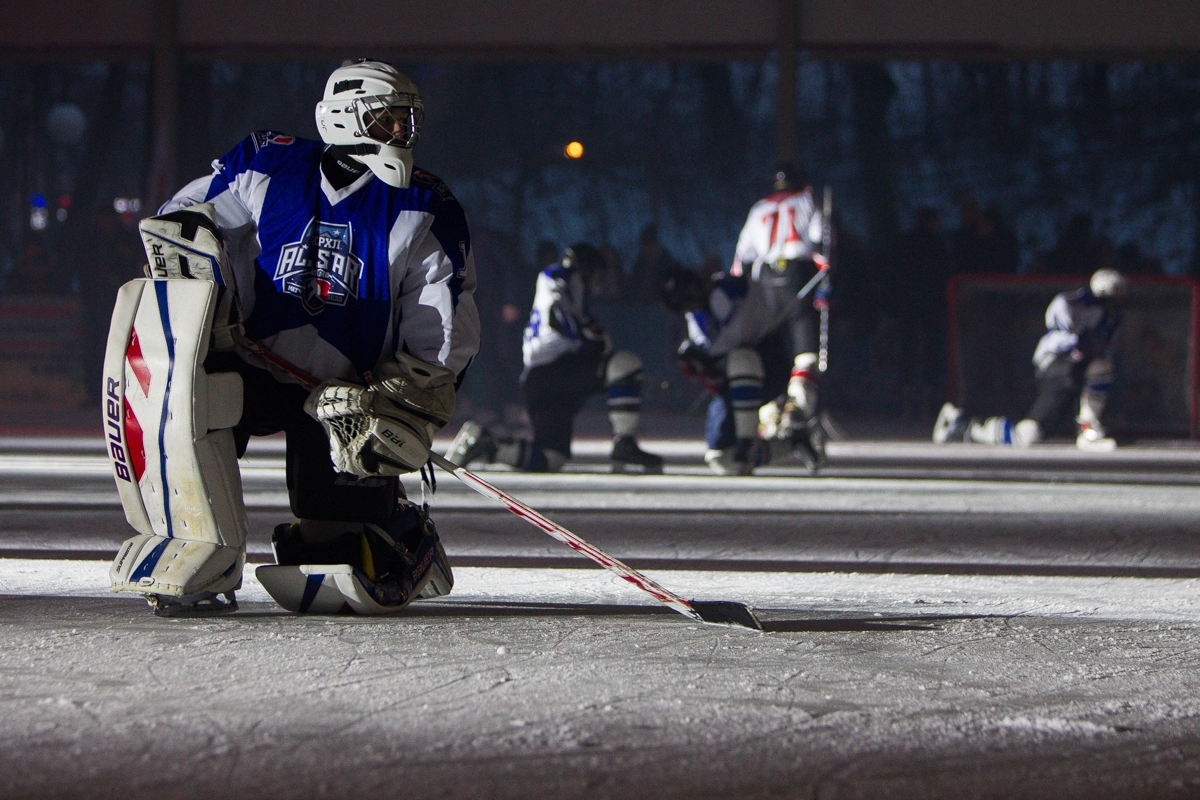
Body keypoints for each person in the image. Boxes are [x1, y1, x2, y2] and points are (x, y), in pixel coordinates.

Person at [104, 60, 478, 615]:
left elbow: (442, 321)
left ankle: (399, 528)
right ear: (345, 118)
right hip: (245, 364)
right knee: (181, 397)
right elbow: (181, 220)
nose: (402, 133)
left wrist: (405, 397)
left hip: (345, 394)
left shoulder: (427, 206)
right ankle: (193, 542)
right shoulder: (266, 161)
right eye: (388, 120)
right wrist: (211, 281)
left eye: (407, 121)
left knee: (337, 544)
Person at [446, 243, 662, 474]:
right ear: (585, 269)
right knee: (624, 364)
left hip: (541, 379)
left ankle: (489, 445)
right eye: (597, 275)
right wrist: (588, 334)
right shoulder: (560, 277)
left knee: (550, 458)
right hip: (553, 371)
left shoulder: (568, 285)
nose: (598, 283)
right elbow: (559, 316)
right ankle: (624, 443)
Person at [934, 268, 1126, 452]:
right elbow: (1060, 312)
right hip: (1061, 363)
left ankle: (962, 426)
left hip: (1073, 370)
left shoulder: (1110, 320)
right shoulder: (1079, 303)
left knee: (1028, 434)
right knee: (1100, 367)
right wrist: (1076, 337)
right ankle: (1087, 429)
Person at [660, 265, 823, 475]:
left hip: (768, 363)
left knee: (742, 359)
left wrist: (707, 358)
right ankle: (794, 442)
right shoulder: (698, 314)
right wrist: (701, 365)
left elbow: (743, 333)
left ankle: (747, 444)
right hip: (736, 384)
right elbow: (712, 353)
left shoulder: (733, 287)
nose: (691, 308)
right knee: (721, 457)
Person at [729, 164, 826, 451]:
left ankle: (769, 410)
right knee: (804, 350)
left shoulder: (759, 208)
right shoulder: (808, 201)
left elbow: (742, 257)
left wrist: (740, 293)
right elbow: (823, 241)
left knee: (769, 347)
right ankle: (798, 406)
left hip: (766, 282)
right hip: (798, 276)